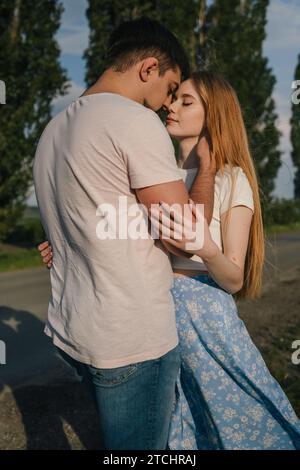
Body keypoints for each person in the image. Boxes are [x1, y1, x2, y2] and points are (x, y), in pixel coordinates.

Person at [33, 16, 216, 450]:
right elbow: (183, 237)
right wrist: (205, 171)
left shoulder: (53, 130)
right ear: (148, 68)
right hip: (131, 337)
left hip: (74, 329)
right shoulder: (134, 121)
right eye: (171, 90)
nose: (166, 105)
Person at [152, 71, 300, 450]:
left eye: (187, 101)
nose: (171, 106)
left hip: (210, 322)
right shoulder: (157, 176)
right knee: (180, 430)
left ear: (213, 115)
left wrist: (208, 249)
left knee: (238, 427)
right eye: (174, 98)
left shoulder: (233, 179)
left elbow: (233, 278)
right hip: (155, 319)